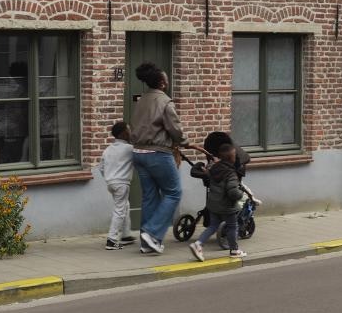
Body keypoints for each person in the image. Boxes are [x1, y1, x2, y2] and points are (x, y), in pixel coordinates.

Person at [130, 61, 184, 255]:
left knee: (150, 196)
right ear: (162, 82)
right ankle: (152, 233)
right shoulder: (165, 101)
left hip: (137, 153)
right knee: (174, 192)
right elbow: (175, 129)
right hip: (157, 153)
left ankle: (147, 243)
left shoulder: (142, 100)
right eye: (166, 78)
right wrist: (183, 142)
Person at [189, 141, 249, 261]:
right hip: (227, 206)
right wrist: (241, 194)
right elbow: (232, 192)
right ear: (232, 158)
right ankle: (234, 250)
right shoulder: (231, 173)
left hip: (213, 204)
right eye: (234, 155)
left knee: (213, 226)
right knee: (233, 227)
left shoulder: (214, 168)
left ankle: (198, 244)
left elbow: (210, 178)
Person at [97, 120, 136, 249]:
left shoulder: (108, 149)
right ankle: (112, 240)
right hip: (122, 183)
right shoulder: (130, 149)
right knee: (119, 210)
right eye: (129, 130)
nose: (131, 132)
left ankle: (125, 235)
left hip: (111, 183)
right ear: (124, 134)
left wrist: (109, 178)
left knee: (125, 205)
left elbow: (101, 167)